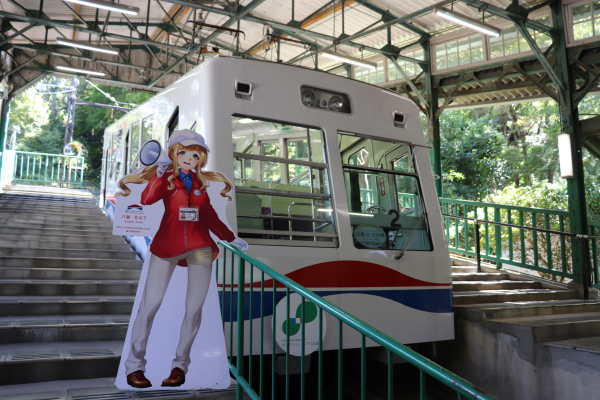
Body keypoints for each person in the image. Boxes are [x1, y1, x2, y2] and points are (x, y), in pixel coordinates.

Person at [118, 130, 247, 388]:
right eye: (183, 152)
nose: (190, 157)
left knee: (194, 307)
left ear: (201, 157)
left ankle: (179, 367)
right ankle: (134, 367)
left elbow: (209, 215)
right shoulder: (165, 179)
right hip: (167, 246)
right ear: (174, 154)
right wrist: (159, 174)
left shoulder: (200, 185)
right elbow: (147, 199)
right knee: (150, 304)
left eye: (195, 153)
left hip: (200, 248)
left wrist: (230, 238)